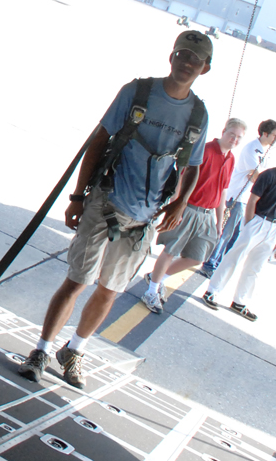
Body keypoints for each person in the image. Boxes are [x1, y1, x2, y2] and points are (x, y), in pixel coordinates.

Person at [16, 30, 212, 388]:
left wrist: (181, 202)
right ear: (171, 57)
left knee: (110, 290)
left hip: (145, 217)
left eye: (195, 60)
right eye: (182, 54)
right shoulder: (136, 93)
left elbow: (193, 163)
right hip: (107, 201)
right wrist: (77, 196)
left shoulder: (198, 115)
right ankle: (41, 350)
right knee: (77, 281)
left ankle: (73, 350)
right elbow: (99, 140)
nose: (187, 63)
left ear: (205, 68)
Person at [141, 118, 246, 314]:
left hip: (207, 214)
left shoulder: (230, 159)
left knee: (197, 257)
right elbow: (182, 178)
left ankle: (158, 277)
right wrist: (177, 206)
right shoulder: (205, 150)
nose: (234, 139)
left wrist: (219, 220)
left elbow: (223, 191)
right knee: (171, 250)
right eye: (232, 134)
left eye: (239, 137)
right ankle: (151, 291)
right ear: (224, 131)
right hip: (189, 207)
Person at [201, 145, 276, 321]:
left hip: (274, 227)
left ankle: (240, 302)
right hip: (258, 220)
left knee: (255, 267)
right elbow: (253, 200)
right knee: (234, 258)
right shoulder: (270, 175)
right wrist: (249, 224)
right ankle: (212, 292)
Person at [201, 119, 276, 277]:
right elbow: (255, 176)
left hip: (246, 200)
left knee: (237, 236)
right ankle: (210, 263)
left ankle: (220, 264)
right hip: (237, 197)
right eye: (274, 135)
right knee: (227, 233)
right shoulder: (252, 149)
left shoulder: (265, 152)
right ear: (265, 133)